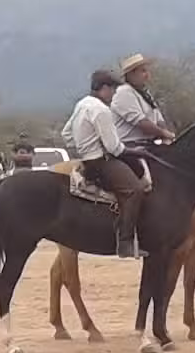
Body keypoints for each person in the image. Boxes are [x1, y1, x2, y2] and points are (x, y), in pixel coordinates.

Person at [61, 70, 149, 258]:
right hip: (102, 161)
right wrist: (137, 152)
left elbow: (66, 135)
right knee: (135, 189)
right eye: (113, 91)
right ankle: (125, 243)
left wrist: (83, 146)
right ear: (104, 88)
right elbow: (114, 147)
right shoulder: (101, 110)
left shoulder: (82, 104)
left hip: (86, 159)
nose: (113, 95)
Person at [111, 53, 175, 148]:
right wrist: (165, 134)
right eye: (143, 71)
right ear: (131, 74)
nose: (147, 75)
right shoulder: (124, 93)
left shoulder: (145, 94)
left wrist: (166, 137)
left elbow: (159, 120)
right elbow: (141, 122)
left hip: (149, 144)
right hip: (130, 146)